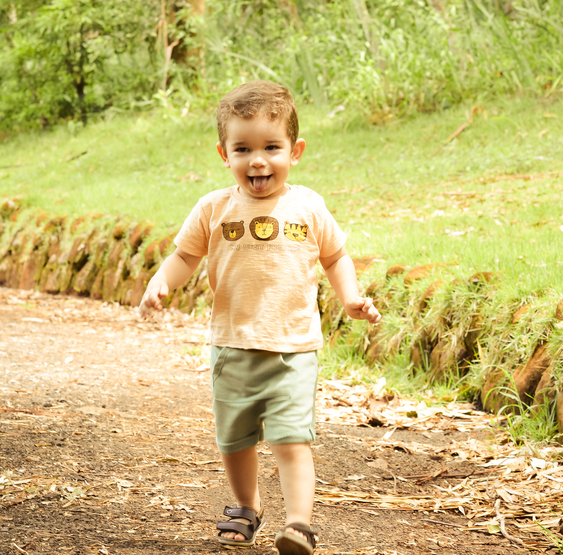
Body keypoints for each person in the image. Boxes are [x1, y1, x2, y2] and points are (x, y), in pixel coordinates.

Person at [139, 81, 381, 554]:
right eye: (243, 148)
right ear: (223, 154)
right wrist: (162, 281)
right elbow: (186, 257)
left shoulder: (308, 205)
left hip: (293, 347)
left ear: (296, 150)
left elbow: (336, 257)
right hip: (232, 345)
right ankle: (246, 506)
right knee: (235, 441)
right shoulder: (214, 207)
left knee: (292, 439)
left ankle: (298, 524)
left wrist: (350, 298)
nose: (258, 160)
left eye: (272, 147)